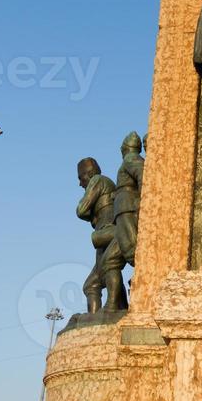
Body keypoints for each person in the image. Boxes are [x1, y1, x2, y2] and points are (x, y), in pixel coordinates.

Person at [100, 132, 144, 310]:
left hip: (128, 210)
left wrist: (143, 199)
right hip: (122, 212)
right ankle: (114, 305)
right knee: (110, 260)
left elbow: (143, 174)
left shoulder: (131, 159)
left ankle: (145, 289)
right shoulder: (129, 160)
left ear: (124, 148)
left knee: (133, 253)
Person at [76, 158, 116, 314]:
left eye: (81, 177)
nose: (80, 184)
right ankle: (117, 307)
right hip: (108, 230)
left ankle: (95, 318)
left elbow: (81, 209)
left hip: (106, 230)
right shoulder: (108, 182)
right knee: (109, 271)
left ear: (90, 173)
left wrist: (90, 213)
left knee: (92, 284)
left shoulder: (97, 180)